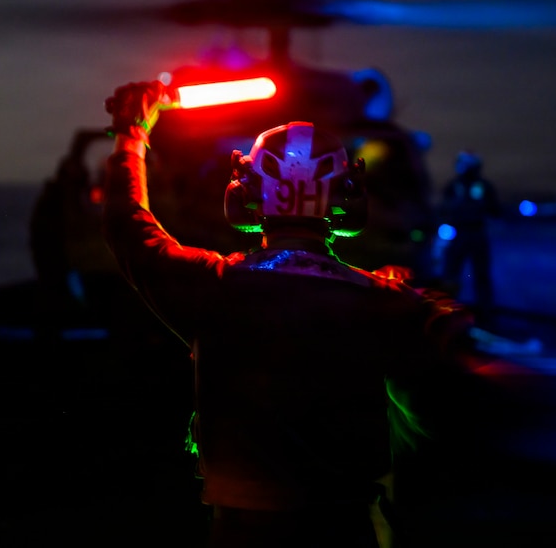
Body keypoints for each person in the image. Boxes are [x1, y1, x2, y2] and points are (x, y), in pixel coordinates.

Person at [101, 81, 481, 548]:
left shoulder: (212, 285)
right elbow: (454, 355)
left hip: (240, 529)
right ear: (347, 198)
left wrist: (132, 133)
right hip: (344, 527)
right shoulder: (385, 299)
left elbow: (128, 226)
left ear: (246, 193)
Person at [437, 151, 502, 325]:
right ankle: (445, 310)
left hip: (476, 233)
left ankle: (485, 314)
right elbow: (442, 208)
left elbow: (495, 209)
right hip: (458, 233)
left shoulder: (483, 186)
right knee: (451, 273)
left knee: (481, 275)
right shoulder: (453, 186)